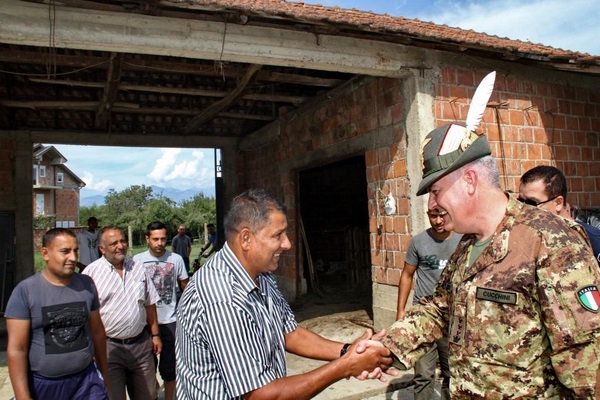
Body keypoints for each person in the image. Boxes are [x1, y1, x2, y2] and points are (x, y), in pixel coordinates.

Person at [380, 121, 600, 398]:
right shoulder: (468, 243)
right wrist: (387, 347)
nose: (432, 205)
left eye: (435, 191)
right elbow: (439, 309)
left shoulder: (552, 241)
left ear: (469, 181)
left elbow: (585, 363)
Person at [176, 189, 395, 400]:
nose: (288, 243)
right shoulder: (221, 297)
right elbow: (261, 394)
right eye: (277, 235)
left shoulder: (260, 273)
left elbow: (289, 333)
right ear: (246, 239)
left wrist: (349, 351)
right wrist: (346, 366)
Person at [5, 228, 109, 399]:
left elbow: (98, 333)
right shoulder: (26, 291)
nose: (74, 258)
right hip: (44, 386)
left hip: (86, 382)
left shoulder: (87, 284)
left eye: (76, 251)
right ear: (45, 253)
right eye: (65, 252)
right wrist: (23, 396)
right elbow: (17, 349)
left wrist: (105, 376)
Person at [83, 226, 162, 400]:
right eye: (113, 243)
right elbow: (86, 316)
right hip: (109, 349)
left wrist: (155, 334)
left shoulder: (138, 267)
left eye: (122, 241)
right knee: (113, 395)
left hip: (140, 345)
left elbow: (150, 304)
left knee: (148, 395)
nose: (120, 246)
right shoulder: (90, 274)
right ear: (102, 249)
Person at [396, 207, 461, 400]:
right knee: (423, 374)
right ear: (428, 216)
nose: (438, 220)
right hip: (424, 315)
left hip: (451, 316)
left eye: (443, 215)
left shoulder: (463, 239)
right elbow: (407, 275)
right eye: (434, 216)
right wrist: (400, 311)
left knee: (453, 372)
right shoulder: (419, 241)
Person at [133, 221, 189, 400]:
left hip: (170, 321)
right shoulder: (137, 261)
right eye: (155, 239)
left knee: (170, 369)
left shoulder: (176, 259)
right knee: (146, 368)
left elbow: (185, 288)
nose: (159, 243)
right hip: (145, 323)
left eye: (163, 239)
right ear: (147, 239)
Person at [519, 165, 600, 264]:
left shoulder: (592, 240)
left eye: (532, 203)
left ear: (558, 203)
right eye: (519, 201)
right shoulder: (527, 239)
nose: (523, 209)